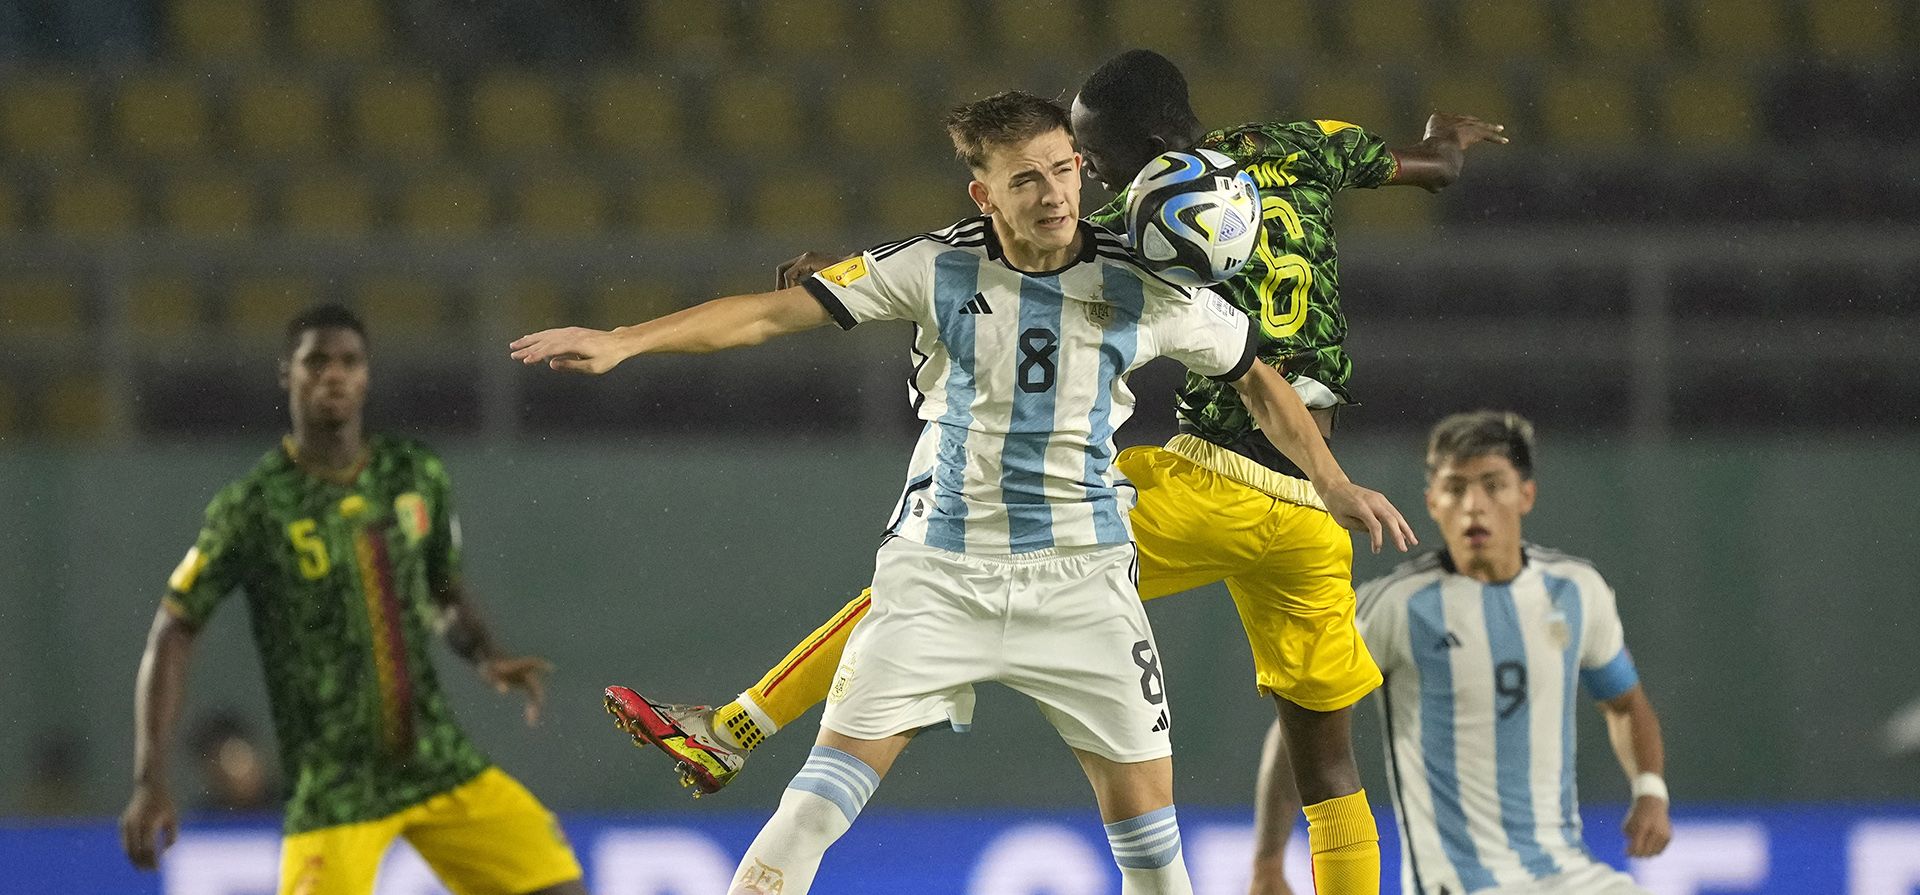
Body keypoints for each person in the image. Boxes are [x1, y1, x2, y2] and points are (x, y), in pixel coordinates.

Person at [605, 48, 1504, 894]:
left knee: (971, 545)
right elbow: (1431, 169)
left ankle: (735, 725)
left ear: (1144, 149)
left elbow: (1002, 258)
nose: (1089, 181)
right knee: (1330, 766)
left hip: (1203, 484)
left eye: (1090, 160)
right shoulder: (1295, 146)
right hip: (1311, 501)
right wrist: (1448, 139)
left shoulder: (1129, 227)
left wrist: (834, 278)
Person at [119, 305, 586, 895]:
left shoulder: (414, 473)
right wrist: (149, 778)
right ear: (287, 374)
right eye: (316, 362)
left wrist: (485, 653)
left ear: (367, 376)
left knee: (559, 887)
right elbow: (175, 628)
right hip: (333, 787)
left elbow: (441, 588)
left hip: (436, 762)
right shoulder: (254, 507)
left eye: (349, 361)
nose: (334, 375)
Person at [1256, 411, 1673, 894]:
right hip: (1455, 884)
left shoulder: (1577, 591)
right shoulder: (1395, 607)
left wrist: (1650, 790)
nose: (1474, 506)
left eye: (1493, 485)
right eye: (1455, 489)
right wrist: (1268, 863)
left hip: (1568, 875)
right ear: (1432, 502)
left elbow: (1625, 704)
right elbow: (1302, 729)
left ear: (1526, 495)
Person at [189, 710, 275, 813]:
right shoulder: (204, 818)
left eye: (236, 757)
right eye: (215, 764)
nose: (228, 772)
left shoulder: (284, 808)